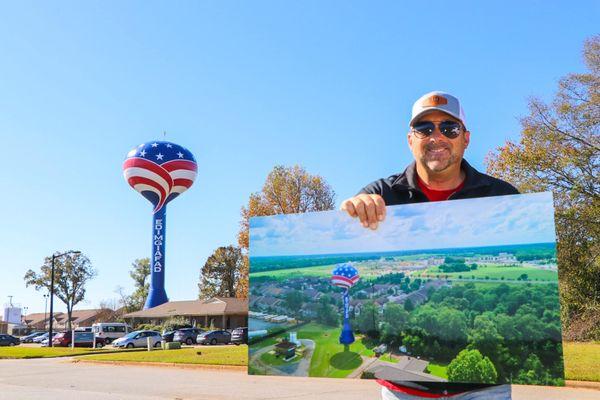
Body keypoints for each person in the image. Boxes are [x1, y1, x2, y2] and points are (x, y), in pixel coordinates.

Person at [341, 91, 517, 400]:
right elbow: (345, 236)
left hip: (485, 389)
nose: (436, 136)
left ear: (466, 138)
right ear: (410, 139)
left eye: (449, 128)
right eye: (425, 129)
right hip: (404, 390)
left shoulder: (502, 196)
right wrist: (354, 207)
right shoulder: (381, 193)